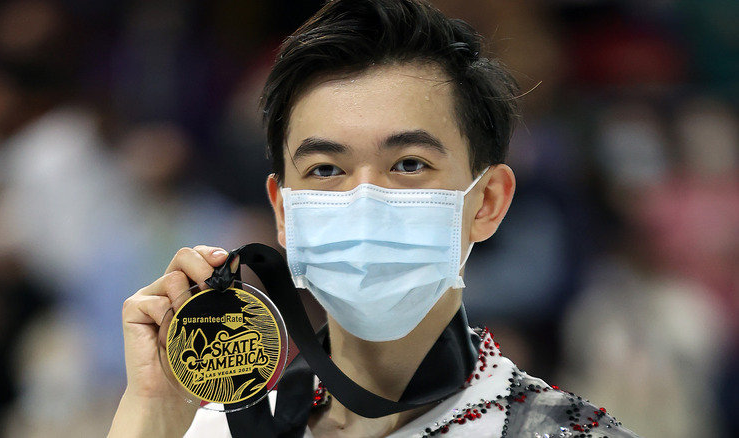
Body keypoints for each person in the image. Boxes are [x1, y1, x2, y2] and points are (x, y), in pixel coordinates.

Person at [109, 0, 641, 436]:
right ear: (283, 211)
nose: (365, 199)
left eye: (409, 164)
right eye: (325, 169)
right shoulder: (207, 429)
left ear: (487, 202)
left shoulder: (569, 432)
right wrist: (151, 416)